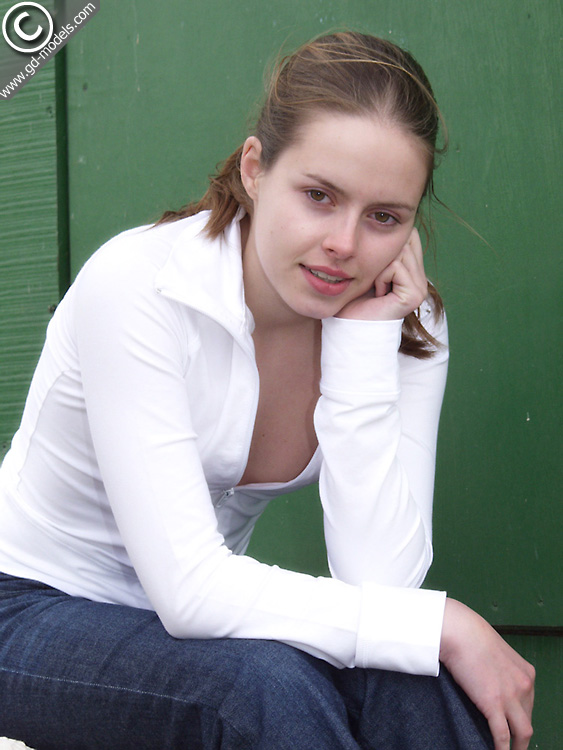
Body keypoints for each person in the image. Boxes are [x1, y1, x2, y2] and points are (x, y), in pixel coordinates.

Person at [0, 31, 534, 750]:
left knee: (417, 674)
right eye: (318, 196)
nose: (345, 244)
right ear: (255, 169)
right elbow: (190, 591)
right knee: (263, 687)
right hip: (27, 610)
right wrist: (440, 622)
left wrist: (361, 346)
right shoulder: (139, 287)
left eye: (384, 217)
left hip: (196, 633)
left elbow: (381, 585)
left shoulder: (406, 321)